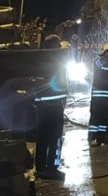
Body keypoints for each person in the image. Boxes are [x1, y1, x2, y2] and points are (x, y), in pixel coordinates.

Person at [34, 34, 69, 180]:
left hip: (41, 107)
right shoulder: (58, 63)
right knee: (55, 138)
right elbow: (61, 85)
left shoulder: (38, 61)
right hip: (55, 107)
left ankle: (40, 168)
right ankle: (52, 169)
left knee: (41, 138)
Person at [88, 42, 108, 147]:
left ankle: (95, 139)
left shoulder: (98, 62)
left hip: (98, 96)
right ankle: (98, 138)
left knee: (97, 117)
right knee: (102, 117)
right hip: (107, 96)